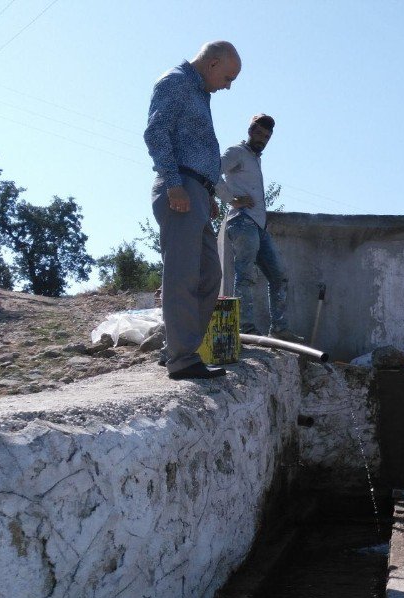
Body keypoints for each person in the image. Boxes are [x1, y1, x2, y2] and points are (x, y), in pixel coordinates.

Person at [144, 41, 241, 380]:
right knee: (183, 274)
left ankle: (175, 348)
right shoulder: (175, 81)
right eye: (227, 77)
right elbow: (156, 132)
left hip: (195, 190)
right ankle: (183, 360)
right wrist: (174, 183)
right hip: (179, 186)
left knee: (209, 275)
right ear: (212, 63)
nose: (227, 85)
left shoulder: (199, 93)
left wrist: (206, 191)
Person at [216, 114, 302, 341]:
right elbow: (212, 169)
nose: (262, 139)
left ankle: (279, 328)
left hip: (258, 225)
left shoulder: (255, 158)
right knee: (245, 274)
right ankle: (245, 328)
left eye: (267, 137)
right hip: (242, 221)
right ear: (250, 130)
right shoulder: (237, 152)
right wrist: (231, 199)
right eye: (259, 134)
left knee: (279, 275)